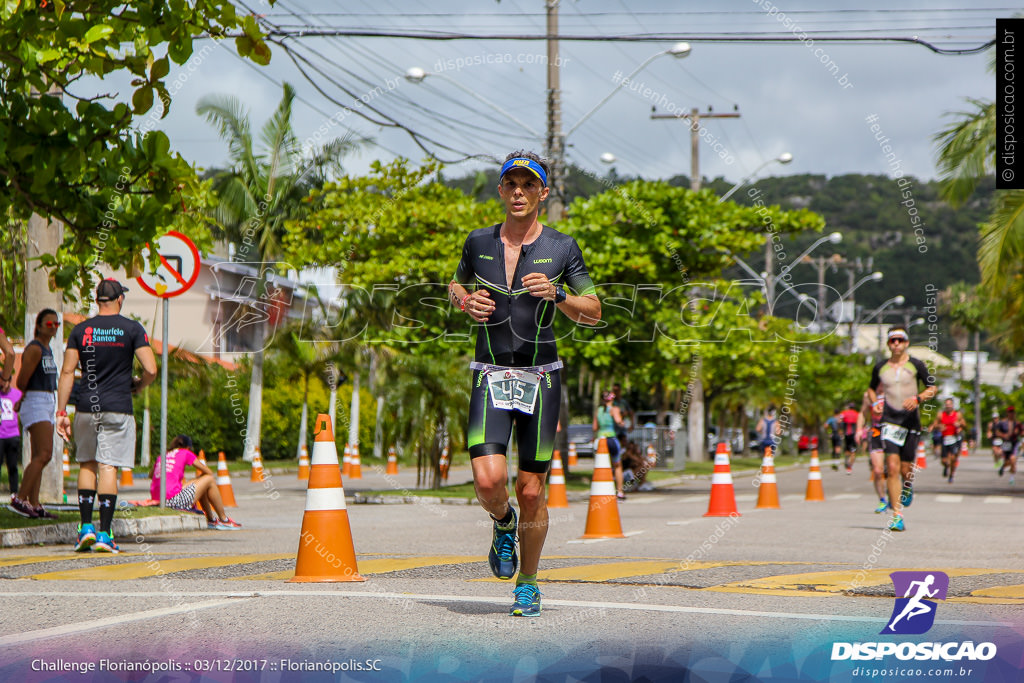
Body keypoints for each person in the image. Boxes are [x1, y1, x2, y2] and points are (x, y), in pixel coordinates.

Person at [448, 150, 600, 618]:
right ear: (500, 191)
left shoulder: (562, 246)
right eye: (510, 184)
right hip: (489, 374)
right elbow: (454, 285)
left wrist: (559, 294)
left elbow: (594, 312)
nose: (518, 192)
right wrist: (463, 300)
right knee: (489, 481)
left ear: (542, 193)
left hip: (540, 378)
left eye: (528, 185)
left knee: (533, 489)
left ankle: (528, 584)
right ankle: (503, 522)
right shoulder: (478, 242)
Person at [56, 279, 158, 553]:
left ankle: (85, 528)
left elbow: (67, 372)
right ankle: (104, 534)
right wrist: (138, 385)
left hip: (87, 407)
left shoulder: (81, 330)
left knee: (87, 464)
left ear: (98, 299)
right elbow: (151, 369)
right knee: (108, 466)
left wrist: (61, 411)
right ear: (120, 300)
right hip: (117, 406)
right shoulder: (132, 329)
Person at [867, 326, 936, 532]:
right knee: (893, 467)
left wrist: (918, 398)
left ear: (906, 343)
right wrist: (874, 403)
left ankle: (908, 485)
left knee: (906, 469)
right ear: (888, 344)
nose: (896, 343)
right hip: (889, 420)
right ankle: (897, 515)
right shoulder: (880, 367)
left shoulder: (916, 365)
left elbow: (932, 387)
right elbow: (871, 389)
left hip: (910, 421)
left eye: (900, 340)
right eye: (892, 340)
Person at [8, 309, 61, 518]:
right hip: (37, 400)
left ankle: (35, 503)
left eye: (56, 324)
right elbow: (22, 381)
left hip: (47, 399)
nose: (54, 327)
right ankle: (19, 499)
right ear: (38, 326)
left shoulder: (48, 349)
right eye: (50, 324)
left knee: (39, 455)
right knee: (45, 454)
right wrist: (23, 397)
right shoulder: (35, 349)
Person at [150, 435, 241, 529]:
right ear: (188, 447)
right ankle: (224, 519)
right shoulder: (186, 453)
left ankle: (211, 520)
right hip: (173, 501)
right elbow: (209, 472)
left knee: (199, 483)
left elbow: (151, 475)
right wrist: (201, 479)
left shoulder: (163, 455)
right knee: (208, 479)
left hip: (159, 500)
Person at [856, 389, 889, 513]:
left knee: (894, 468)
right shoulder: (868, 395)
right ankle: (882, 500)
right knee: (877, 470)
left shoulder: (893, 390)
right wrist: (859, 430)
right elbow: (863, 413)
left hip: (893, 430)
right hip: (876, 432)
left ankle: (895, 494)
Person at [594, 391, 626, 500]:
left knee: (602, 465)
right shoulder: (614, 409)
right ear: (612, 399)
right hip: (611, 439)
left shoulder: (598, 410)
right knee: (617, 465)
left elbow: (594, 427)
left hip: (600, 440)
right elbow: (619, 421)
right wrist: (623, 422)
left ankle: (601, 490)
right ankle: (620, 491)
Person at [930, 398, 966, 483]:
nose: (948, 406)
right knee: (944, 461)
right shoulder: (941, 415)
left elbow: (964, 425)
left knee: (953, 458)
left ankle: (951, 474)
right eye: (946, 404)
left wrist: (959, 425)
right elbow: (934, 425)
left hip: (954, 438)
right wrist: (939, 426)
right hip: (944, 439)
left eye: (949, 404)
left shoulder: (957, 414)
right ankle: (946, 466)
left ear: (953, 405)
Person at [993, 407, 1020, 485]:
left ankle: (1011, 478)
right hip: (1006, 444)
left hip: (1014, 444)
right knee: (1007, 460)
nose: (1011, 413)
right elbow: (997, 432)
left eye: (1013, 412)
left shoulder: (1017, 423)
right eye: (1010, 412)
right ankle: (1003, 467)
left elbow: (1021, 432)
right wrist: (1004, 435)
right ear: (1007, 413)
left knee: (1013, 460)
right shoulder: (1002, 423)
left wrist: (1018, 433)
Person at [840, 401, 860, 472]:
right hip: (854, 434)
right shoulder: (857, 414)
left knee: (847, 448)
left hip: (846, 434)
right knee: (853, 450)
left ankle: (846, 460)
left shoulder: (844, 413)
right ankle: (850, 464)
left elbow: (840, 420)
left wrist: (841, 430)